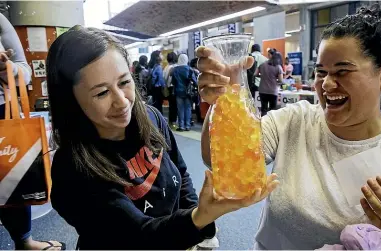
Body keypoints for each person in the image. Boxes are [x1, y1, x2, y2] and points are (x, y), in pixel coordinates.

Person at [197, 4, 381, 250]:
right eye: (320, 72)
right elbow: (219, 161)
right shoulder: (294, 120)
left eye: (342, 71)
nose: (327, 84)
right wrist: (224, 99)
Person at [45, 25, 279, 250]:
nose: (122, 101)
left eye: (124, 82)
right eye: (102, 92)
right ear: (70, 101)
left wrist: (195, 218)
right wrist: (199, 218)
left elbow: (180, 172)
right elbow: (137, 237)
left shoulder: (150, 118)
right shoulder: (73, 169)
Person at [0, 13, 65, 250]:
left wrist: (3, 67)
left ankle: (23, 240)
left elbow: (23, 72)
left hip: (2, 112)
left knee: (13, 177)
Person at [172, 54, 196, 131]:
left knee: (180, 109)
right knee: (188, 108)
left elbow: (173, 82)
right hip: (188, 92)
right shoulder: (190, 69)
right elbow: (195, 82)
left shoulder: (175, 69)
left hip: (178, 92)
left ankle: (181, 126)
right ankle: (187, 126)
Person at [255, 51, 283, 116]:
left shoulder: (262, 64)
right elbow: (281, 80)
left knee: (263, 109)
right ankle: (271, 124)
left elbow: (255, 74)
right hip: (273, 91)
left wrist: (262, 76)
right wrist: (275, 79)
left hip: (262, 90)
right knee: (272, 110)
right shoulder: (278, 67)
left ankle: (263, 123)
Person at [163, 52, 178, 129]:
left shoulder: (166, 67)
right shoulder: (177, 67)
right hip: (175, 88)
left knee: (171, 106)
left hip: (169, 88)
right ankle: (174, 121)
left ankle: (171, 122)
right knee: (175, 106)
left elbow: (164, 79)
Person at [189, 58, 202, 123]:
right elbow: (196, 81)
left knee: (194, 105)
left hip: (192, 91)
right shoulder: (195, 72)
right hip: (195, 91)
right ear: (195, 64)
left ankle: (195, 118)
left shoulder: (191, 70)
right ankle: (199, 118)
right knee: (197, 104)